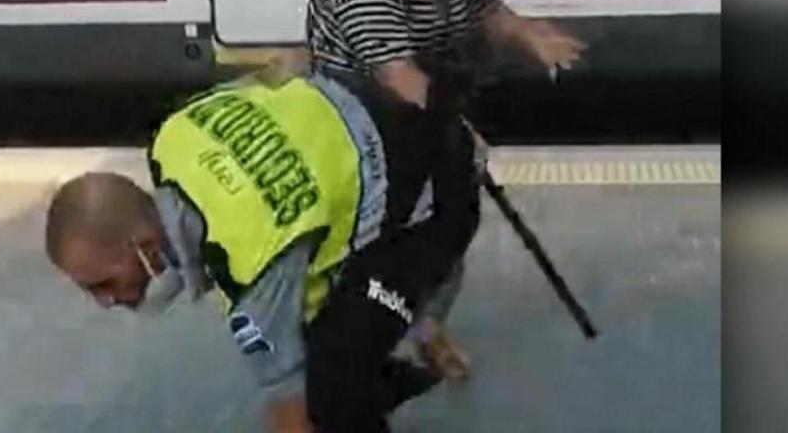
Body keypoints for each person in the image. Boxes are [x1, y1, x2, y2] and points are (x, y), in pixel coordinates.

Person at [45, 70, 480, 432]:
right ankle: (414, 332)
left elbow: (290, 411)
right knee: (332, 314)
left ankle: (414, 331)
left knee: (329, 393)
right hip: (393, 110)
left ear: (145, 247)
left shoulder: (249, 258)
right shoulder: (174, 135)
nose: (104, 301)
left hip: (439, 196)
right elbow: (271, 76)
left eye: (104, 283)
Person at [305, 0, 587, 377]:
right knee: (384, 233)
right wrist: (455, 127)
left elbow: (485, 10)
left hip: (427, 99)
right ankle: (361, 341)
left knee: (456, 218)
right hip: (356, 115)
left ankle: (424, 325)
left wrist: (531, 36)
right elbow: (395, 74)